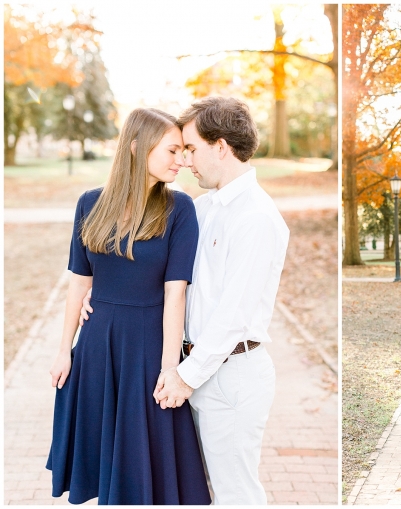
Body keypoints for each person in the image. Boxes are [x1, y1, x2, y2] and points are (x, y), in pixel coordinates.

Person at [81, 97, 289, 505]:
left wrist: (184, 376)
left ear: (221, 147)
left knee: (235, 493)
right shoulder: (203, 206)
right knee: (191, 491)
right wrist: (102, 292)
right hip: (195, 369)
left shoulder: (257, 217)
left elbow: (233, 314)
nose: (185, 161)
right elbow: (168, 275)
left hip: (229, 374)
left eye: (190, 148)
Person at [47, 108, 211, 505]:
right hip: (97, 348)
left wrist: (170, 368)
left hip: (149, 349)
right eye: (172, 150)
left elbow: (177, 294)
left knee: (147, 468)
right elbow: (79, 282)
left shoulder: (179, 208)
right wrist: (63, 350)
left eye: (183, 151)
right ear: (137, 147)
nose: (182, 160)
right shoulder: (89, 204)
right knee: (104, 465)